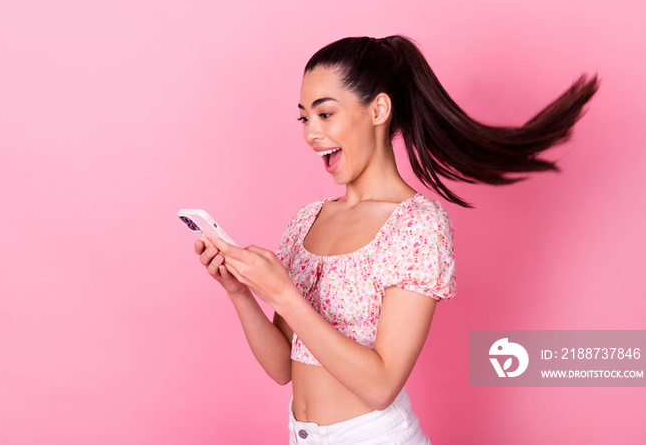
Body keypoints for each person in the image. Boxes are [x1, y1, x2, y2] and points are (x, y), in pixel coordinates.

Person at [194, 35, 598, 444]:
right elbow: (283, 366)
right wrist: (241, 293)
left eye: (325, 114)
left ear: (379, 110)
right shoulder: (306, 221)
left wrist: (282, 293)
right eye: (304, 118)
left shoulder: (417, 226)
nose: (311, 133)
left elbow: (382, 384)